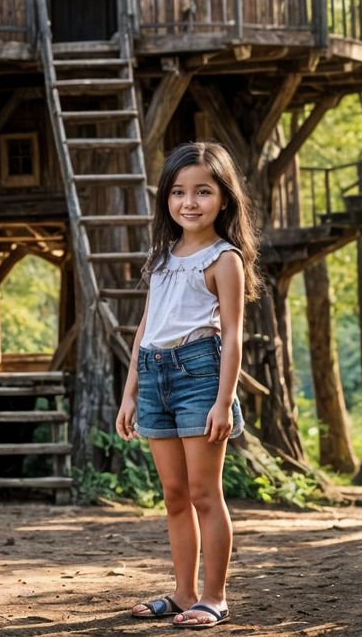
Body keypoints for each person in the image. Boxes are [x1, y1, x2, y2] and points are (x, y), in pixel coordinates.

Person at [117, 141, 260, 629]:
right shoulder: (162, 256)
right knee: (174, 494)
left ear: (223, 198)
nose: (190, 202)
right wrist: (130, 390)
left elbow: (235, 335)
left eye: (202, 191)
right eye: (179, 192)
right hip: (154, 373)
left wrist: (224, 401)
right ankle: (182, 592)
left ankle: (214, 597)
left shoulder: (225, 258)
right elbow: (145, 326)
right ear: (167, 200)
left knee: (204, 492)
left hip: (200, 374)